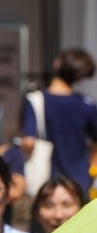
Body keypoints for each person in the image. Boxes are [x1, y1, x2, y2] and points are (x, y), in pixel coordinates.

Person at [22, 47, 97, 195]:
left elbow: (29, 142)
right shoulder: (87, 103)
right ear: (80, 77)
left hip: (47, 180)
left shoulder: (36, 100)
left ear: (57, 64)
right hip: (80, 179)